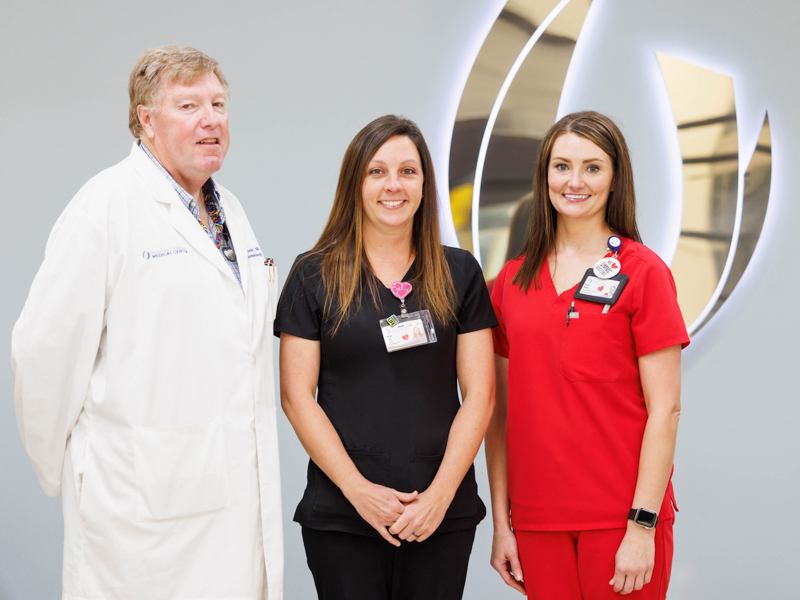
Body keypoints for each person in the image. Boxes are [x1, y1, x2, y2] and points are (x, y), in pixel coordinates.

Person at [11, 46, 283, 599]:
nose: (211, 120)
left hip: (233, 496)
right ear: (146, 120)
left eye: (219, 103)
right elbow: (43, 354)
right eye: (188, 105)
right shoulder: (105, 207)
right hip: (141, 505)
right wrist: (65, 469)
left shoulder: (229, 208)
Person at [275, 115, 496, 600]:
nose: (392, 185)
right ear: (355, 183)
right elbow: (296, 397)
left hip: (440, 512)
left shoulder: (460, 274)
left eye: (407, 171)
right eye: (377, 171)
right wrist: (359, 493)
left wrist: (438, 497)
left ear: (424, 184)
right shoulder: (312, 276)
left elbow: (480, 396)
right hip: (344, 513)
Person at [486, 111, 689, 599]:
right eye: (562, 166)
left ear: (616, 179)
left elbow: (666, 408)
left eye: (593, 167)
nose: (574, 181)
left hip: (619, 518)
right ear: (545, 175)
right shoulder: (510, 284)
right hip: (537, 519)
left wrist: (641, 525)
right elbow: (499, 415)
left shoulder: (644, 273)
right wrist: (502, 523)